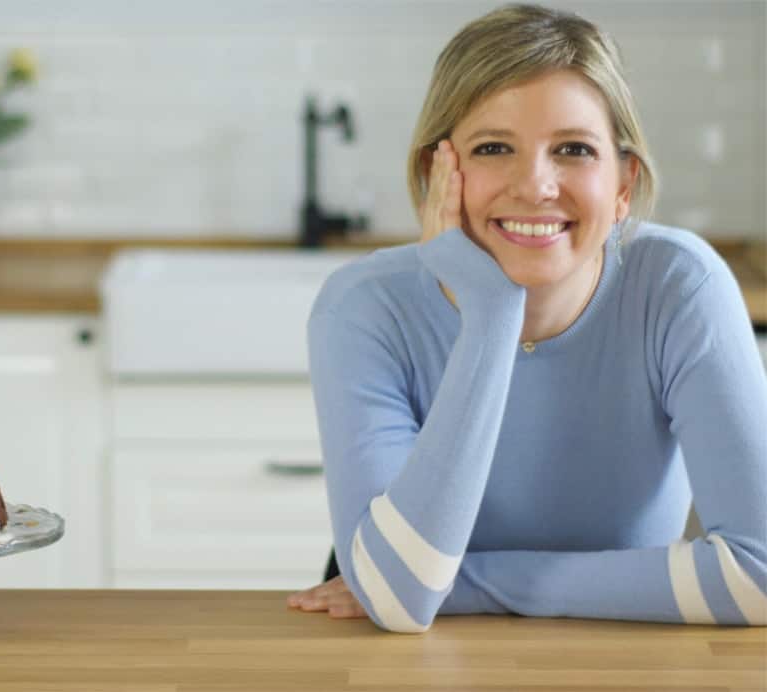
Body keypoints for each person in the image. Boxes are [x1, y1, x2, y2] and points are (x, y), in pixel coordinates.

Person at [286, 3, 766, 631]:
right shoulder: (362, 307)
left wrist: (471, 583)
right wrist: (489, 314)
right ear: (439, 174)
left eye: (573, 148)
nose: (536, 184)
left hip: (619, 658)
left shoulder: (679, 286)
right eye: (493, 147)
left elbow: (758, 574)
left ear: (624, 184)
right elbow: (400, 602)